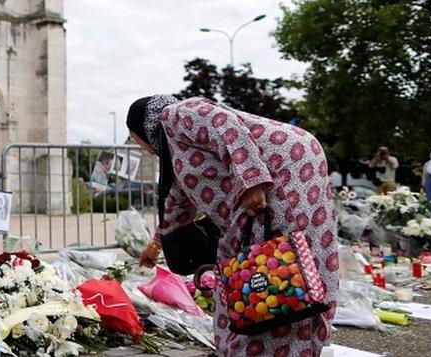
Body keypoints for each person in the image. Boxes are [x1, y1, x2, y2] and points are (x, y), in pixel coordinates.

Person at [128, 95, 338, 357]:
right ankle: (260, 348)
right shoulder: (176, 151)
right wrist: (156, 244)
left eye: (133, 138)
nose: (138, 145)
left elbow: (224, 124)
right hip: (268, 181)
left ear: (142, 128)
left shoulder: (175, 114)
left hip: (285, 171)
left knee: (285, 267)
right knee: (257, 273)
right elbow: (176, 205)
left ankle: (278, 348)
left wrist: (252, 181)